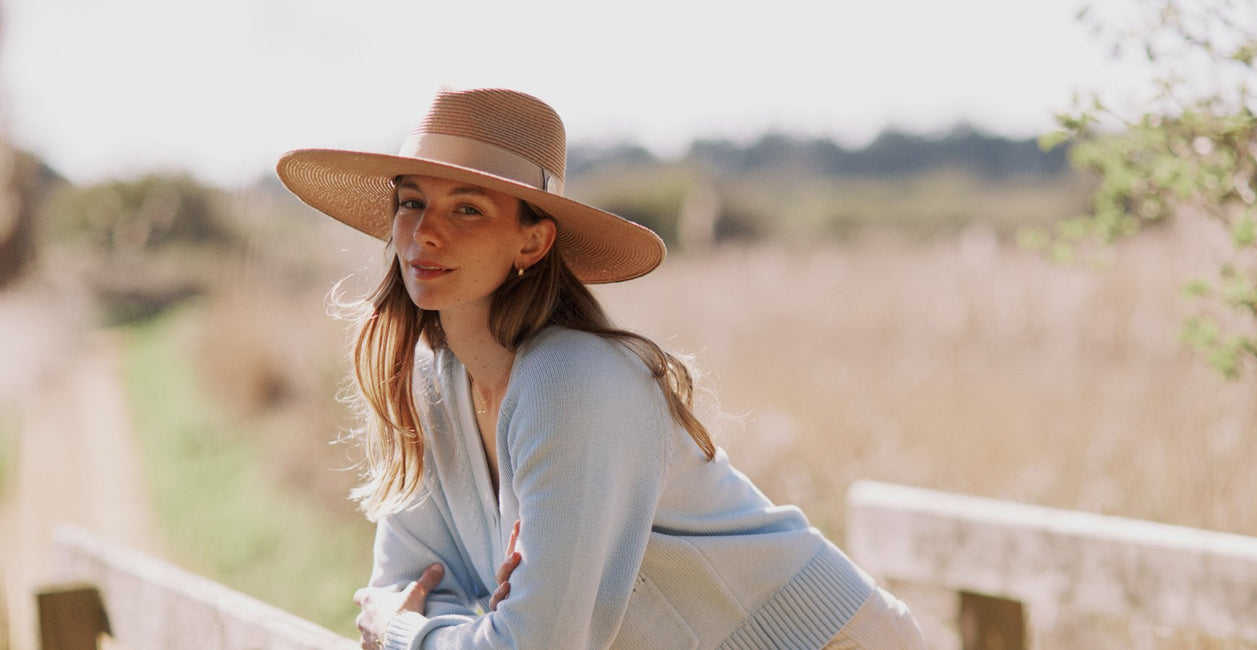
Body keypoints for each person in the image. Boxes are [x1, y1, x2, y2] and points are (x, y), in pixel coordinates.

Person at [276, 88, 925, 649]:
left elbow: (513, 639)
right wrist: (464, 625)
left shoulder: (572, 382)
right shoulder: (429, 384)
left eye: (467, 208)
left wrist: (410, 634)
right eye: (411, 202)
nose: (424, 232)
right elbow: (407, 583)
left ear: (533, 240)